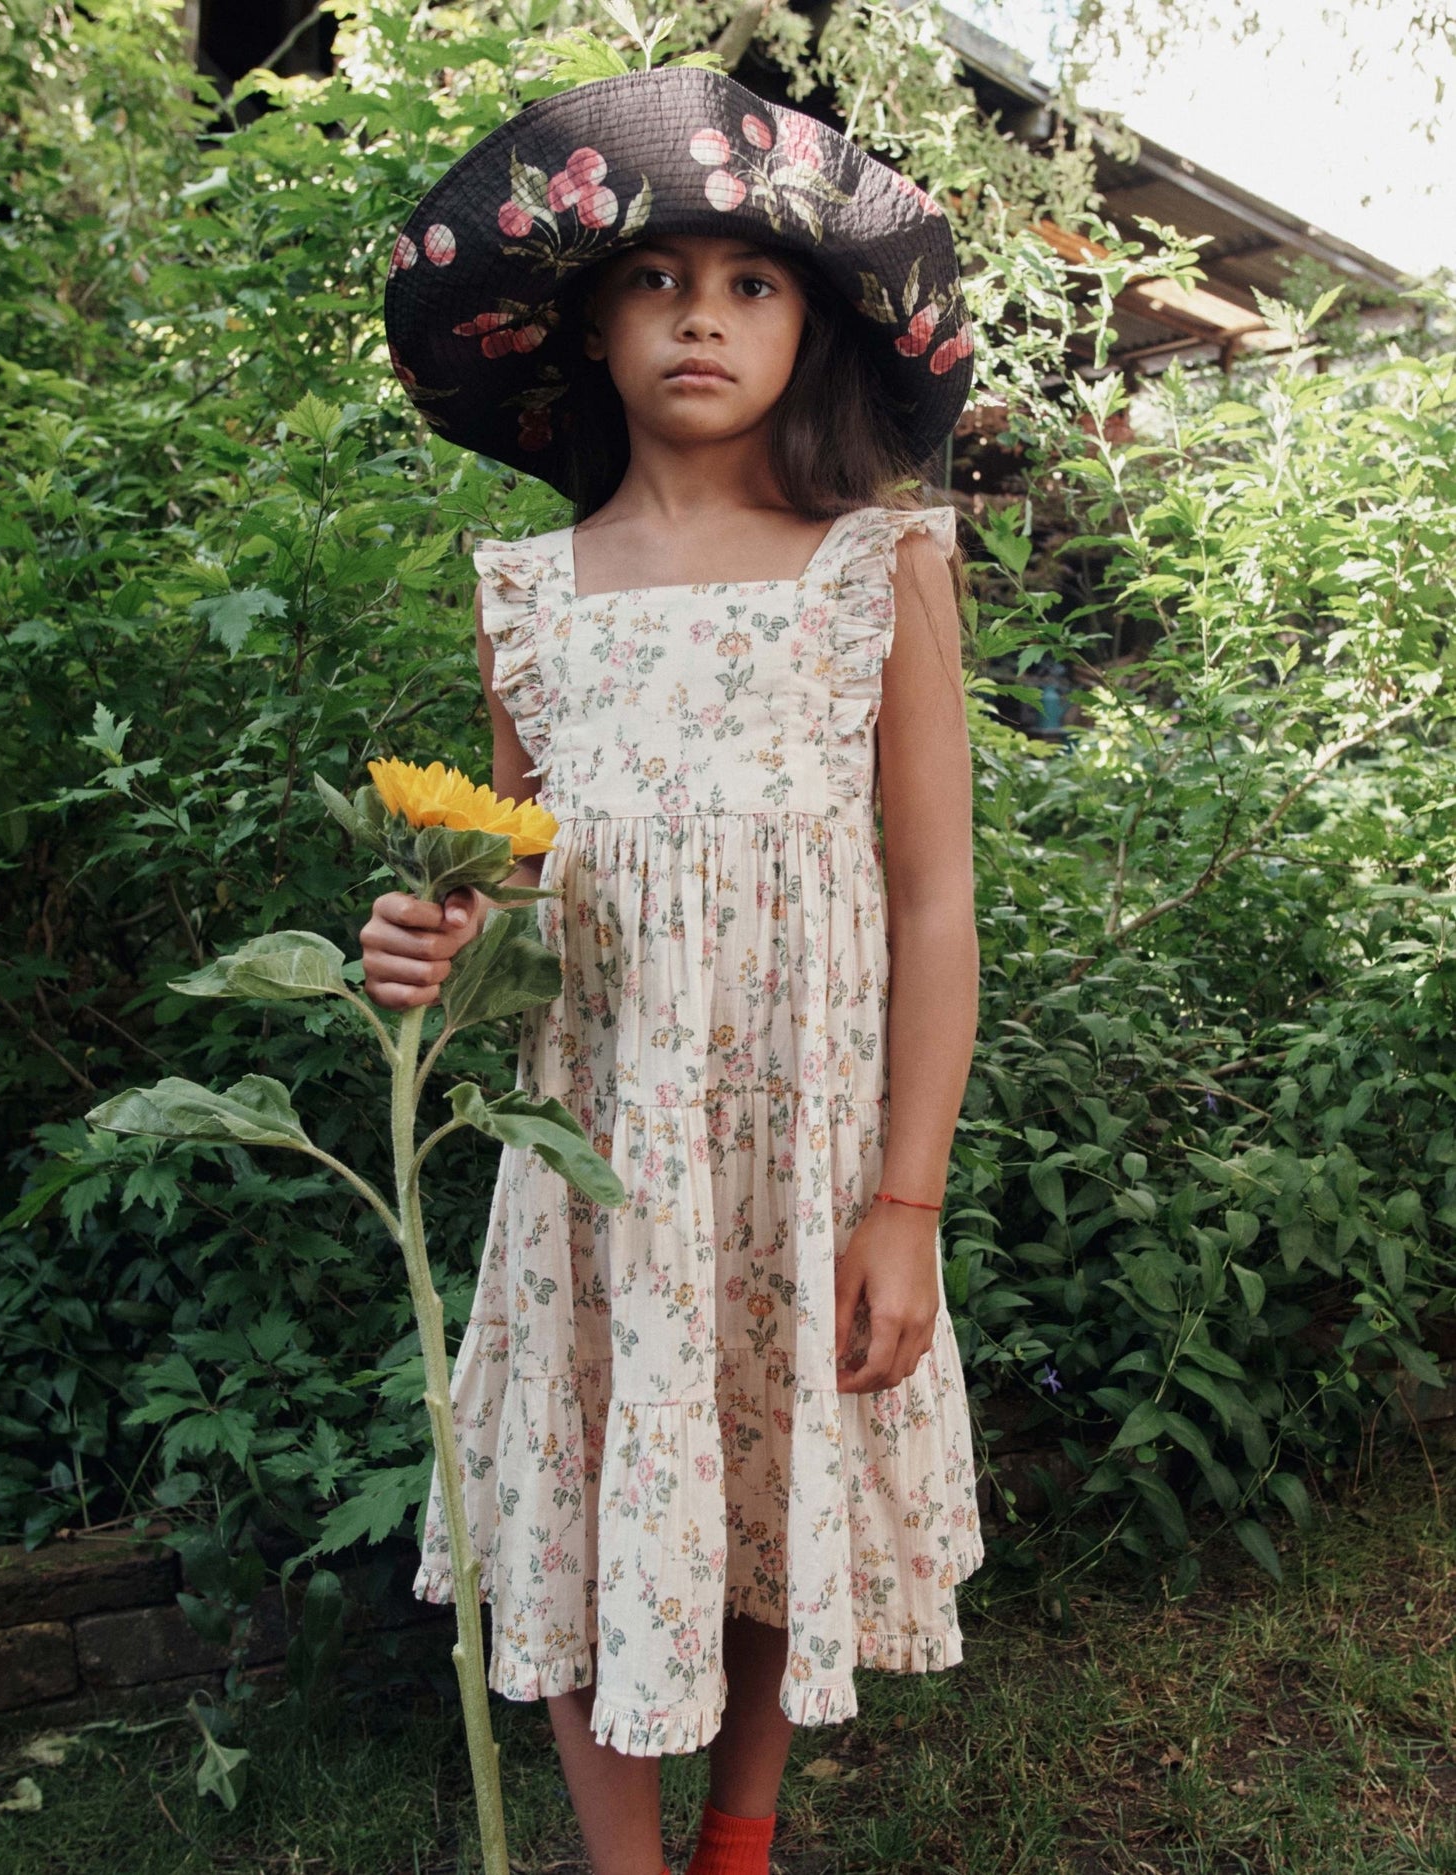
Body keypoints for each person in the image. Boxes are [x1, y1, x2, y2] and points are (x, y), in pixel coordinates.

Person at [364, 64, 984, 1875]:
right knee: (584, 1486)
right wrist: (436, 940)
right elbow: (515, 893)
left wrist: (906, 1201)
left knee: (785, 1463)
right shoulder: (529, 597)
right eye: (654, 279)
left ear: (814, 328)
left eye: (750, 283)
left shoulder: (882, 572)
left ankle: (738, 1842)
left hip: (807, 1152)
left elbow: (935, 903)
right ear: (588, 324)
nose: (700, 316)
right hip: (596, 1157)